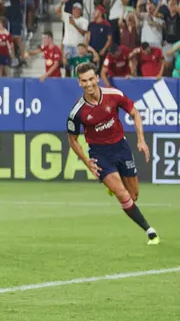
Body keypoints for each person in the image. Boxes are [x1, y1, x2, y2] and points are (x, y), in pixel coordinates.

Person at [66, 63, 160, 245]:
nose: (88, 84)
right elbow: (72, 140)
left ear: (97, 78)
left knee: (133, 195)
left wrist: (141, 140)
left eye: (91, 79)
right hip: (100, 154)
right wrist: (87, 162)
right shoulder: (77, 112)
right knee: (122, 195)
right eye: (84, 81)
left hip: (121, 147)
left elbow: (134, 113)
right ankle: (150, 231)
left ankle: (113, 186)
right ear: (79, 83)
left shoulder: (114, 95)